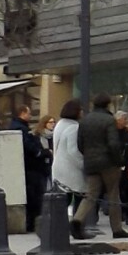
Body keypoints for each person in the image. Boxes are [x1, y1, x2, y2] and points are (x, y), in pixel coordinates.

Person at [76, 93, 128, 239]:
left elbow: (80, 143)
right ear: (108, 105)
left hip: (91, 162)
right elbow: (113, 143)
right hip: (108, 163)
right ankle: (117, 229)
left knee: (91, 194)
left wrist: (88, 154)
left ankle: (77, 220)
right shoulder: (109, 120)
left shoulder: (85, 120)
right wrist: (119, 160)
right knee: (113, 194)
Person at [50, 98, 88, 231]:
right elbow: (73, 150)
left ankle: (56, 225)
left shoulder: (59, 124)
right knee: (79, 196)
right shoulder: (74, 127)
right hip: (71, 169)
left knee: (63, 198)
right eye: (81, 110)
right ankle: (77, 227)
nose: (82, 112)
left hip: (58, 165)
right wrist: (83, 164)